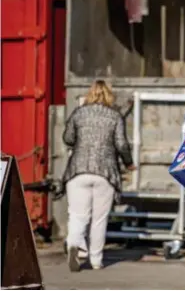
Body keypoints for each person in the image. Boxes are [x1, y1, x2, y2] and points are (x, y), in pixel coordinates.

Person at [62, 80, 135, 272]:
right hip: (105, 173)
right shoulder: (115, 116)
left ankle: (75, 245)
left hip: (78, 170)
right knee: (99, 219)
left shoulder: (79, 113)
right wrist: (129, 163)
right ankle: (96, 261)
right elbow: (121, 144)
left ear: (90, 94)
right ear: (109, 95)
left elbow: (68, 138)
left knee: (78, 215)